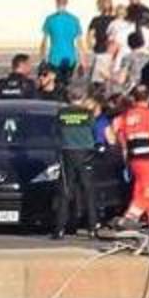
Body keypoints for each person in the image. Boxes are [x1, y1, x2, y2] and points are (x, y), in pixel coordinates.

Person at [113, 84, 149, 235]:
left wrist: (126, 160)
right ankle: (129, 217)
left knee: (142, 188)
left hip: (134, 159)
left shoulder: (126, 116)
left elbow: (122, 139)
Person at [53, 86, 100, 239]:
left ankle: (60, 229)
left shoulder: (61, 114)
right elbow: (95, 132)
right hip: (86, 154)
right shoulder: (88, 114)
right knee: (88, 191)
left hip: (67, 153)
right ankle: (92, 228)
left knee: (65, 191)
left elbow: (56, 132)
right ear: (84, 97)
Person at [40, 0, 86, 86]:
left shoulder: (50, 19)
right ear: (67, 1)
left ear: (56, 1)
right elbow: (79, 43)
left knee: (54, 85)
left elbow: (44, 42)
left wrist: (43, 59)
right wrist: (82, 62)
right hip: (70, 58)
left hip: (54, 58)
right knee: (66, 84)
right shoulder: (74, 20)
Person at [87, 0, 116, 90]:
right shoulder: (115, 20)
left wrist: (91, 48)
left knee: (97, 84)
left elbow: (89, 38)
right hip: (112, 54)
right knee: (110, 83)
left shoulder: (96, 20)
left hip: (99, 52)